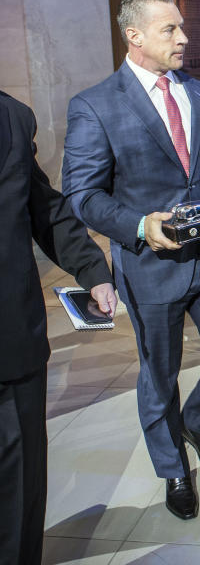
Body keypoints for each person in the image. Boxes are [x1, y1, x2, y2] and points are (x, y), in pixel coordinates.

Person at [61, 0, 200, 521]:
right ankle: (174, 467)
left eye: (181, 27)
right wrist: (138, 225)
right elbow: (81, 195)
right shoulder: (94, 105)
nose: (184, 37)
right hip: (150, 267)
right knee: (159, 376)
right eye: (170, 29)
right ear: (135, 37)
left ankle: (198, 423)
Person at [0, 91, 116, 563]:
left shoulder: (11, 116)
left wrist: (93, 271)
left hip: (12, 342)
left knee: (19, 494)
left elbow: (43, 210)